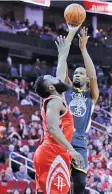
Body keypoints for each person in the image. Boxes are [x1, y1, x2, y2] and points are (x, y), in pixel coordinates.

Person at [56, 26, 99, 194]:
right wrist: (70, 33)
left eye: (81, 73)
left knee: (80, 184)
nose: (77, 75)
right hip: (63, 138)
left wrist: (83, 49)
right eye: (76, 73)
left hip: (80, 141)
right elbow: (62, 62)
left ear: (87, 79)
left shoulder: (92, 95)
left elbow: (93, 74)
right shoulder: (67, 88)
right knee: (63, 182)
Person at [33, 75, 84, 194]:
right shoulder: (54, 101)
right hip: (52, 153)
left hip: (56, 153)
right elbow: (52, 128)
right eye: (53, 77)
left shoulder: (58, 98)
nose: (58, 78)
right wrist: (71, 149)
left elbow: (61, 72)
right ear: (51, 87)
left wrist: (63, 56)